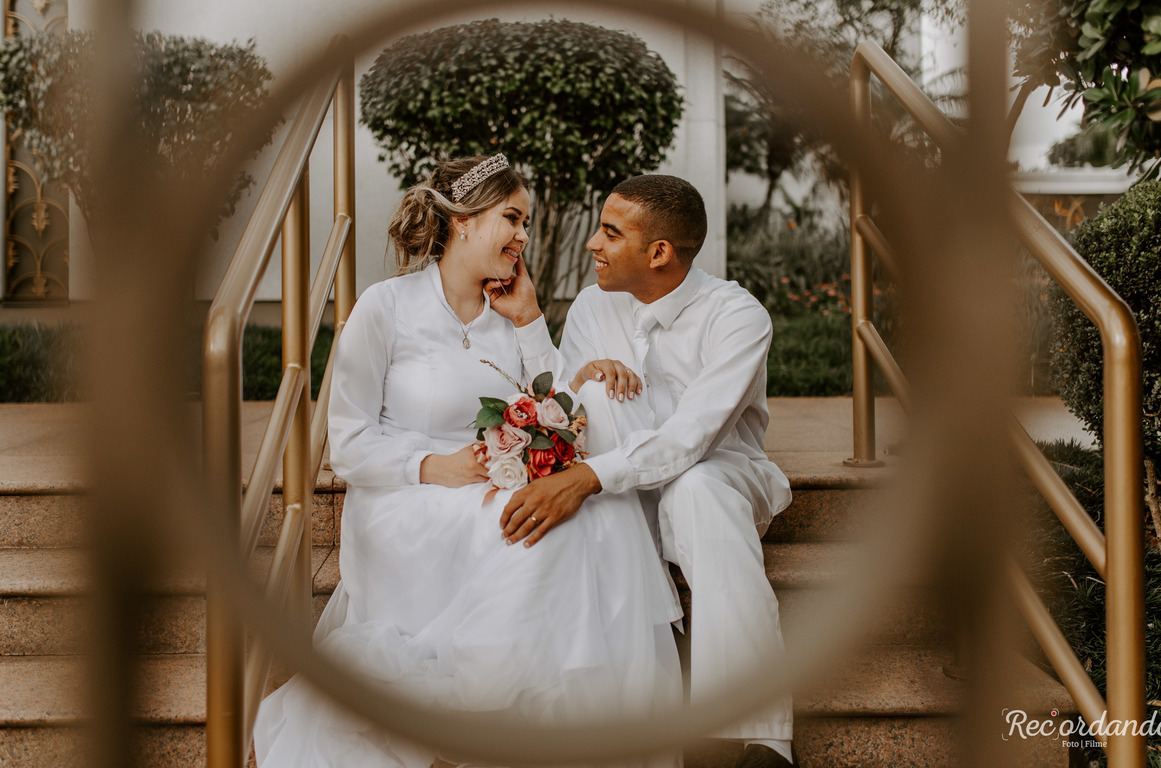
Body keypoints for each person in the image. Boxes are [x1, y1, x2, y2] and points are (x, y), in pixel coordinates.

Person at [253, 155, 682, 768]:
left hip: (490, 491)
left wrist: (530, 319)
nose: (523, 237)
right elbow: (347, 444)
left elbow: (554, 409)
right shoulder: (385, 307)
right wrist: (436, 466)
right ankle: (485, 709)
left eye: (526, 223)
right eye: (512, 218)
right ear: (463, 223)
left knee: (600, 513)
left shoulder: (507, 312)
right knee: (552, 531)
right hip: (405, 502)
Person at [499, 175, 795, 767]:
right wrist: (561, 354)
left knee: (699, 489)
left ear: (659, 253)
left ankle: (757, 739)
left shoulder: (737, 315)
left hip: (724, 473)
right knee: (600, 393)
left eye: (610, 232)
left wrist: (584, 479)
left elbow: (696, 435)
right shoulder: (591, 305)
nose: (593, 245)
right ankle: (668, 617)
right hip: (623, 502)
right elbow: (564, 409)